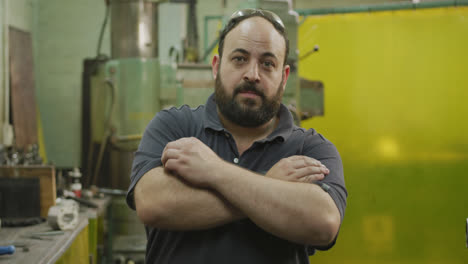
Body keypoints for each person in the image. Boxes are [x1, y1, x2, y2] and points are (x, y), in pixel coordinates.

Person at [126, 8, 347, 264]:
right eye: (240, 59)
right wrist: (270, 184)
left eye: (267, 63)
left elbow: (323, 222)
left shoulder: (310, 148)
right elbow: (152, 203)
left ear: (284, 77)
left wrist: (212, 170)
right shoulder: (174, 127)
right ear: (217, 66)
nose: (252, 74)